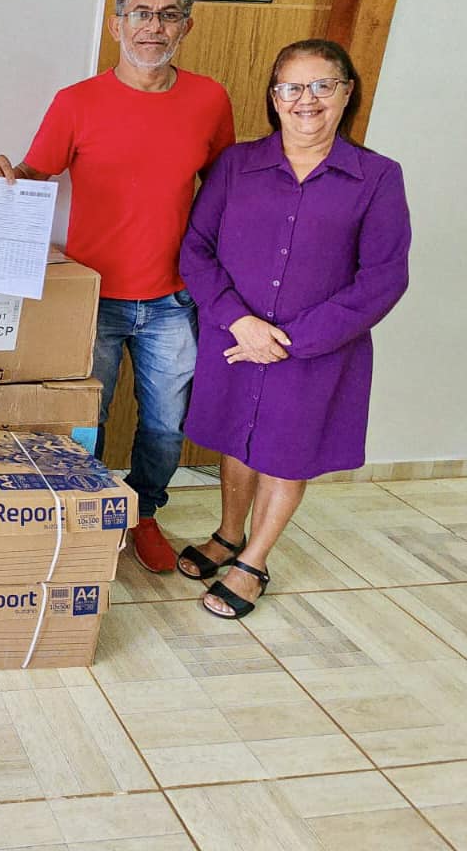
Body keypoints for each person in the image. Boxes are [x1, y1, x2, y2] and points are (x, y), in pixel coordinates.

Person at [0, 0, 235, 573]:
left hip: (174, 300)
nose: (155, 26)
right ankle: (83, 516)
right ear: (118, 25)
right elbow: (38, 175)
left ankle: (144, 512)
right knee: (82, 420)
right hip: (91, 300)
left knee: (166, 427)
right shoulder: (77, 102)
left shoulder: (210, 100)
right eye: (142, 13)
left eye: (168, 14)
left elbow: (228, 192)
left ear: (187, 26)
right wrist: (6, 176)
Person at [176, 39, 409, 618]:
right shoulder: (236, 165)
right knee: (237, 438)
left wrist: (290, 341)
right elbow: (196, 251)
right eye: (291, 87)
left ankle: (253, 559)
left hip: (317, 351)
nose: (306, 100)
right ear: (274, 98)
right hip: (236, 339)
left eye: (322, 85)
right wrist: (239, 322)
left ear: (347, 92)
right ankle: (229, 534)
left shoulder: (377, 176)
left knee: (286, 452)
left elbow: (384, 277)